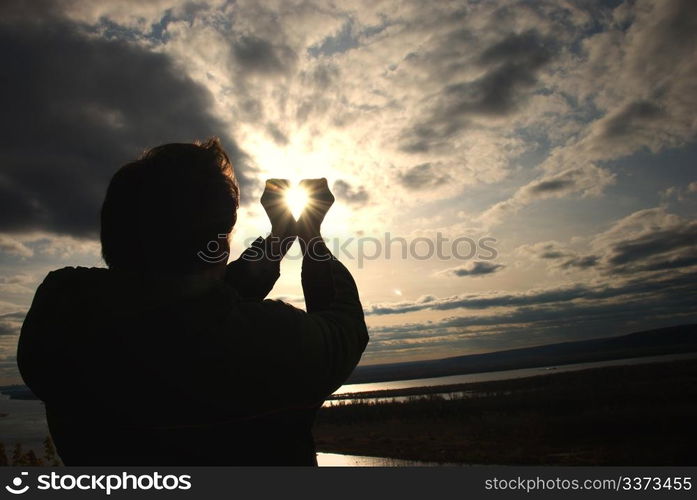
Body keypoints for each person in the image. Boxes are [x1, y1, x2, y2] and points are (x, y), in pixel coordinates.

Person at [17, 138, 369, 465]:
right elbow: (344, 326)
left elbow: (185, 302)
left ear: (113, 231)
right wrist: (311, 237)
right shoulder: (269, 345)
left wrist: (278, 240)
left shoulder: (63, 317)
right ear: (220, 244)